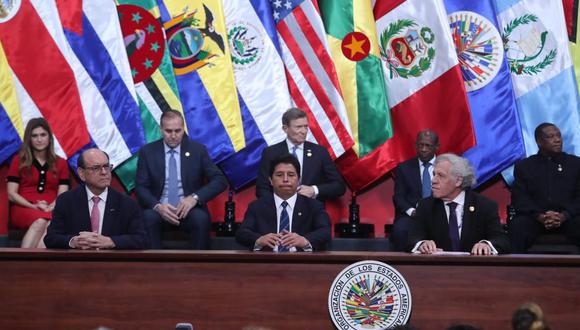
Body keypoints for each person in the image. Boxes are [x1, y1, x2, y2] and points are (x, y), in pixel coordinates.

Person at [135, 110, 227, 249]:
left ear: (183, 129)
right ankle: (152, 268)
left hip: (189, 209)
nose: (173, 136)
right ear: (160, 130)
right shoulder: (148, 152)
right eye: (168, 131)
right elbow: (140, 187)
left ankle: (197, 268)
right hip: (159, 208)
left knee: (201, 219)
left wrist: (194, 198)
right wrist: (158, 206)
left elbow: (220, 180)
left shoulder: (198, 150)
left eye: (178, 131)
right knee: (148, 218)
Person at [44, 148, 148, 249]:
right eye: (96, 168)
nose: (104, 172)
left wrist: (111, 242)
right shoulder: (66, 200)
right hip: (78, 263)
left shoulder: (127, 203)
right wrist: (73, 241)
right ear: (81, 173)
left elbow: (141, 239)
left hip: (113, 263)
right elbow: (51, 238)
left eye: (106, 166)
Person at [407, 153, 509, 255]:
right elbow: (411, 239)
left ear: (458, 181)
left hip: (474, 268)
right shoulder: (425, 206)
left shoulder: (484, 206)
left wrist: (486, 244)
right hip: (438, 268)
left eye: (441, 175)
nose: (433, 180)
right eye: (434, 174)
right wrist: (422, 244)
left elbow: (501, 241)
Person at [236, 154, 331, 251]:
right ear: (271, 180)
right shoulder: (257, 206)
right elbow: (242, 233)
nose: (285, 179)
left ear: (299, 180)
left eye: (291, 175)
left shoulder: (313, 206)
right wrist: (259, 239)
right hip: (267, 262)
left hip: (302, 262)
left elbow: (325, 231)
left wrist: (305, 240)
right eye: (279, 175)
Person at [510, 123, 580, 253]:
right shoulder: (524, 166)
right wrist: (540, 216)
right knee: (518, 226)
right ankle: (515, 272)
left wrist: (564, 215)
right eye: (551, 136)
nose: (557, 139)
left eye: (558, 135)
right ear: (539, 142)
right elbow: (520, 197)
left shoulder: (576, 164)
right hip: (535, 218)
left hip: (569, 217)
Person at [255, 107, 345, 202]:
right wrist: (278, 204)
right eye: (298, 127)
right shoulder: (271, 153)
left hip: (312, 211)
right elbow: (261, 189)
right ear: (285, 128)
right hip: (281, 212)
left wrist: (314, 190)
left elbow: (339, 186)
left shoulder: (320, 152)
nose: (304, 131)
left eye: (305, 127)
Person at [7, 118, 70, 248]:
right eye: (34, 136)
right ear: (29, 139)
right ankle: (23, 263)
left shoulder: (61, 162)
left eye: (43, 135)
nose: (39, 139)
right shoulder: (18, 161)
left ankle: (37, 268)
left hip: (52, 208)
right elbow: (11, 194)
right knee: (40, 221)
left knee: (50, 224)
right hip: (23, 207)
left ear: (49, 138)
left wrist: (51, 207)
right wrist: (34, 206)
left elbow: (63, 194)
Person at [391, 129, 439, 251]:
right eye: (420, 145)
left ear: (436, 147)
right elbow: (398, 197)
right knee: (400, 229)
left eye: (428, 146)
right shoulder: (404, 168)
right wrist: (412, 212)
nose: (423, 149)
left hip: (440, 213)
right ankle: (401, 267)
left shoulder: (445, 166)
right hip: (412, 215)